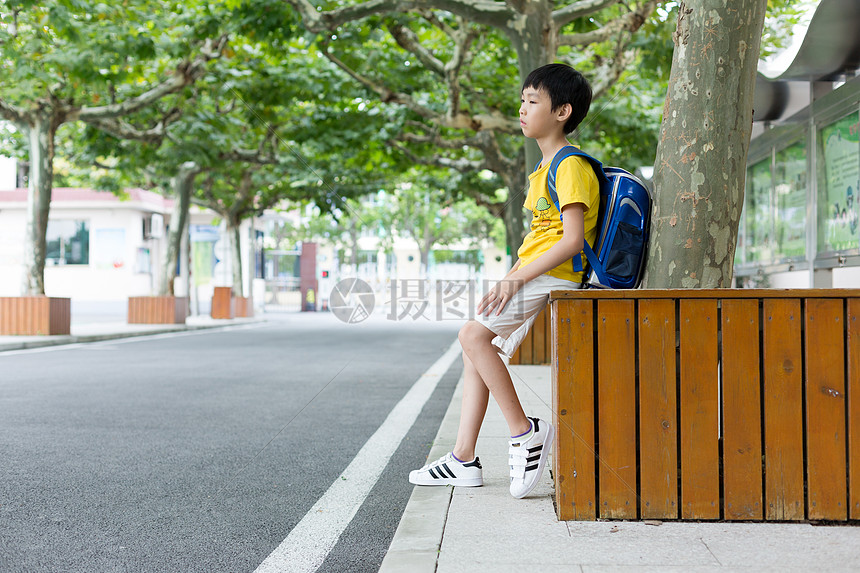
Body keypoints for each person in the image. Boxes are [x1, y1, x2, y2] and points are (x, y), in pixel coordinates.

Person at [409, 63, 601, 499]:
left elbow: (571, 241)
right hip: (537, 271)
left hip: (556, 276)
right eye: (522, 100)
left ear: (562, 111)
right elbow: (541, 237)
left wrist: (516, 281)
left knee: (473, 335)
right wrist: (510, 276)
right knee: (475, 347)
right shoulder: (545, 168)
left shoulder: (570, 165)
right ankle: (463, 459)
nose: (522, 109)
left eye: (533, 101)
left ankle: (524, 430)